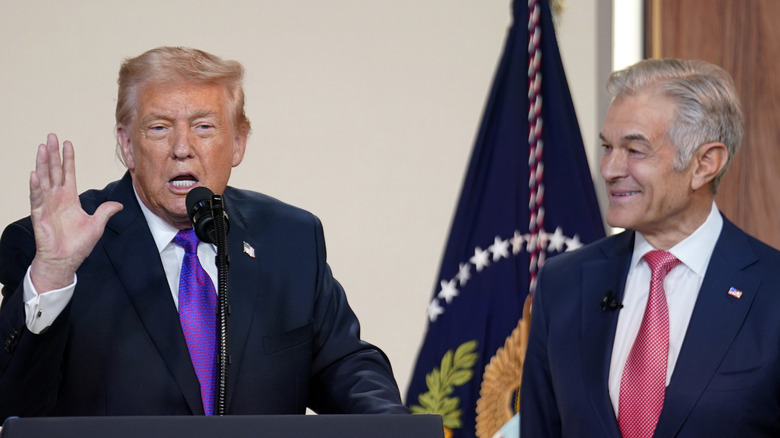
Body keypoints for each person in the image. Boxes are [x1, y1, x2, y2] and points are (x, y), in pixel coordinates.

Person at [0, 46, 407, 418]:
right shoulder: (53, 247)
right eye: (159, 127)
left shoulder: (290, 238)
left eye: (205, 127)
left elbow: (342, 364)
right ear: (126, 145)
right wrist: (53, 273)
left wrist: (393, 425)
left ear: (238, 144)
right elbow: (15, 405)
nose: (182, 147)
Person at [520, 58, 780, 437]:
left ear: (705, 163)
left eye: (634, 150)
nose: (609, 169)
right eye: (608, 147)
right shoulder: (563, 284)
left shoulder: (771, 291)